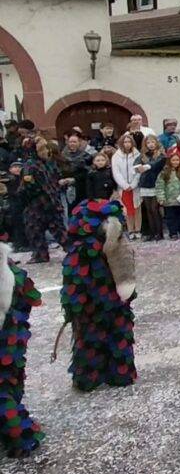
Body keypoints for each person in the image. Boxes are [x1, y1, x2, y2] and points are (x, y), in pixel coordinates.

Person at [61, 199, 137, 391]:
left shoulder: (79, 250)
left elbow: (72, 281)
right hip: (113, 303)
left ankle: (90, 377)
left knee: (90, 340)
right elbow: (127, 274)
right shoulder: (118, 244)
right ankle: (120, 374)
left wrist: (71, 306)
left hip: (91, 306)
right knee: (116, 336)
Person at [0, 243, 44, 457]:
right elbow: (30, 296)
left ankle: (19, 434)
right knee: (8, 379)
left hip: (8, 334)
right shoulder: (9, 266)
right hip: (11, 334)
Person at [23, 138, 66, 263]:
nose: (46, 151)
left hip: (41, 202)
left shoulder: (35, 164)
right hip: (47, 201)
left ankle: (41, 255)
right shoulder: (38, 164)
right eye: (43, 149)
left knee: (36, 229)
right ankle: (42, 254)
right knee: (54, 230)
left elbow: (29, 186)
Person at [111, 133, 146, 241]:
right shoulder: (116, 156)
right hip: (124, 187)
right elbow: (116, 172)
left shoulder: (137, 155)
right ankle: (130, 230)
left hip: (135, 186)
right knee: (128, 209)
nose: (127, 144)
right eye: (125, 142)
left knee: (137, 208)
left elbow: (139, 171)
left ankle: (138, 230)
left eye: (129, 142)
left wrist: (134, 184)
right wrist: (125, 185)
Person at [137, 135, 166, 242]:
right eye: (148, 143)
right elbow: (136, 165)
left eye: (152, 142)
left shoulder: (161, 155)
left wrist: (145, 167)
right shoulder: (142, 156)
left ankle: (159, 233)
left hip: (156, 184)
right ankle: (152, 233)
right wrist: (137, 168)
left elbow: (154, 165)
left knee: (155, 209)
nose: (151, 144)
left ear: (156, 143)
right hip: (145, 184)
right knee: (148, 210)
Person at [155, 153, 180, 239]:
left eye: (177, 160)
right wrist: (161, 198)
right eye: (173, 160)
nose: (175, 162)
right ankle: (173, 233)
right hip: (169, 200)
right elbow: (160, 186)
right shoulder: (164, 173)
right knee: (171, 218)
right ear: (169, 161)